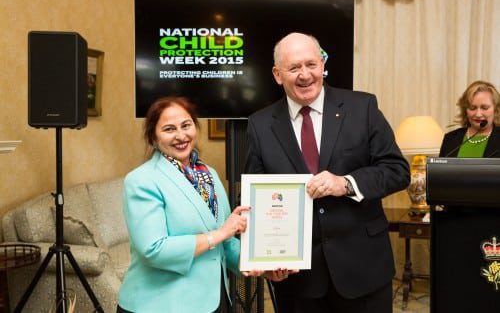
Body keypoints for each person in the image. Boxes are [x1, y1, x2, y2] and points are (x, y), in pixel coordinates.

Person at [244, 32, 410, 313]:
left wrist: (346, 183)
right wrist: (267, 259)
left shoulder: (362, 107)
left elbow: (396, 170)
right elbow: (252, 197)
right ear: (277, 74)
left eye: (311, 64)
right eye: (294, 68)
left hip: (363, 270)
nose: (305, 75)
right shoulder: (260, 125)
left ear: (323, 64)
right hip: (298, 281)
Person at [117, 97, 257, 313]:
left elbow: (227, 244)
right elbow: (154, 250)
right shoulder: (141, 180)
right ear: (153, 137)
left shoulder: (209, 175)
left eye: (186, 125)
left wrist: (260, 264)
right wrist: (219, 234)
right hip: (162, 305)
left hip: (215, 300)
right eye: (169, 129)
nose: (181, 136)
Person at [439, 80, 500, 158]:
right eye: (472, 108)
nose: (478, 114)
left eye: (484, 108)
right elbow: (441, 169)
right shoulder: (450, 138)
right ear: (465, 110)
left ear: (496, 109)